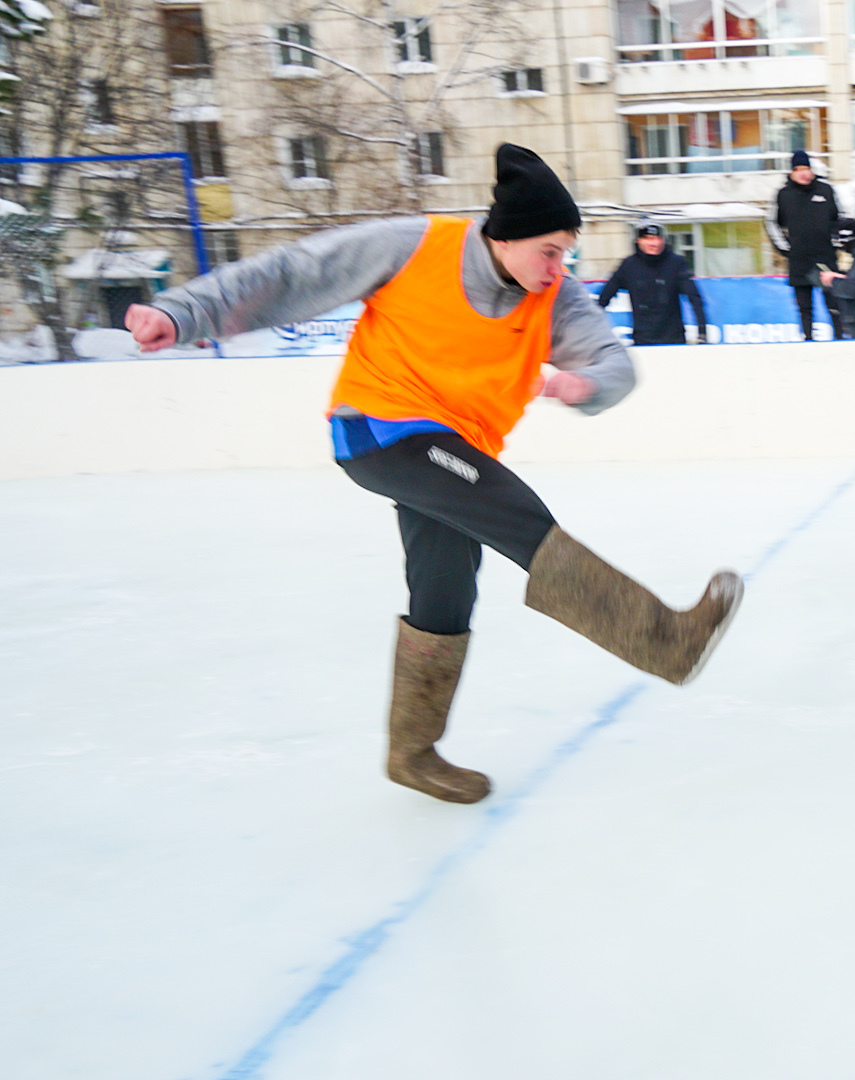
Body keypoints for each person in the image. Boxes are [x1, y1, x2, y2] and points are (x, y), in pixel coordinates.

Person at [121, 144, 745, 805]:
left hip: (452, 452)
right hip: (380, 430)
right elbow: (294, 274)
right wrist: (182, 312)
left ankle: (412, 753)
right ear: (506, 238)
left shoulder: (555, 298)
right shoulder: (414, 245)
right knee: (519, 518)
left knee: (446, 588)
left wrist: (577, 383)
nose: (559, 266)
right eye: (551, 250)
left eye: (566, 253)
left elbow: (616, 365)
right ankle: (665, 641)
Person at [764, 151, 844, 341]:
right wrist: (786, 249)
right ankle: (808, 339)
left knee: (835, 304)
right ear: (792, 172)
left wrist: (836, 243)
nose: (803, 173)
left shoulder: (826, 190)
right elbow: (770, 223)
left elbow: (840, 219)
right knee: (804, 308)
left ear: (812, 170)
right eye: (798, 169)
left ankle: (841, 339)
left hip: (826, 259)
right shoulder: (783, 195)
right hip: (800, 260)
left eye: (806, 169)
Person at [597, 221, 711, 346]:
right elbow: (604, 298)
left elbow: (694, 298)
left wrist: (702, 333)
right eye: (648, 239)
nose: (654, 243)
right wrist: (593, 335)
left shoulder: (676, 263)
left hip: (674, 340)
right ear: (638, 241)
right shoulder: (629, 265)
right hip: (642, 340)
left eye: (658, 238)